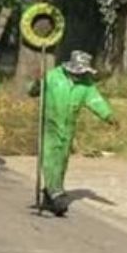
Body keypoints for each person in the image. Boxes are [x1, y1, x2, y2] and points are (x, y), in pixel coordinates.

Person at [37, 50, 116, 216]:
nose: (80, 76)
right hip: (50, 125)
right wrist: (37, 83)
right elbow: (33, 90)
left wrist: (108, 116)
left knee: (62, 161)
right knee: (50, 158)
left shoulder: (86, 85)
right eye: (78, 72)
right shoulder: (53, 76)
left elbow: (96, 101)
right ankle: (55, 193)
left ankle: (51, 192)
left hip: (67, 128)